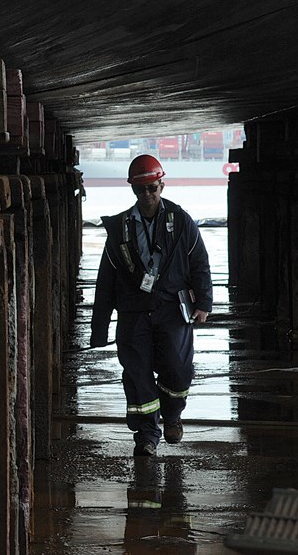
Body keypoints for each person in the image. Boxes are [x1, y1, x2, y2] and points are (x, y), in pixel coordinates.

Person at [89, 154, 212, 457]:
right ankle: (147, 435)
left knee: (178, 368)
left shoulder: (181, 221)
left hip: (172, 308)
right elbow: (105, 281)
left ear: (162, 185)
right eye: (140, 190)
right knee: (137, 373)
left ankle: (171, 416)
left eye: (152, 189)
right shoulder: (119, 230)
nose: (147, 196)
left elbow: (199, 263)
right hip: (133, 312)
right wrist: (99, 328)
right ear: (132, 190)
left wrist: (204, 303)